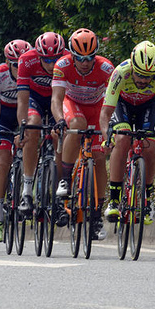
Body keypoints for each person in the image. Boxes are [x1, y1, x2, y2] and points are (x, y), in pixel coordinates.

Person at [99, 41, 155, 225]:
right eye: (140, 75)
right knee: (122, 139)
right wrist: (107, 138)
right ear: (132, 67)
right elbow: (105, 113)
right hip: (123, 104)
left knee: (151, 146)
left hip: (148, 106)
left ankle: (147, 197)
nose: (144, 80)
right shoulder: (120, 72)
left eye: (148, 77)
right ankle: (114, 198)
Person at [51, 28, 114, 238]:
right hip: (73, 105)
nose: (85, 62)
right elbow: (56, 99)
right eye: (79, 58)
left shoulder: (106, 68)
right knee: (76, 125)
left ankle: (96, 216)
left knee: (98, 157)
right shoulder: (62, 65)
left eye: (89, 58)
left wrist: (110, 130)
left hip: (98, 110)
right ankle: (65, 179)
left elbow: (111, 102)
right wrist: (60, 120)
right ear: (72, 55)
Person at [16, 31, 68, 212]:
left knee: (59, 135)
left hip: (58, 100)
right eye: (46, 60)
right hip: (34, 98)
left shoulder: (68, 60)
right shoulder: (26, 60)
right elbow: (22, 100)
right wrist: (22, 128)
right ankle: (27, 192)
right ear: (38, 55)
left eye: (55, 59)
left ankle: (61, 191)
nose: (51, 64)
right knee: (32, 126)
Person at [0, 39, 32, 242]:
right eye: (15, 64)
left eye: (23, 63)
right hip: (4, 117)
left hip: (26, 115)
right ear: (8, 62)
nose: (20, 68)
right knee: (3, 162)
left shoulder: (34, 73)